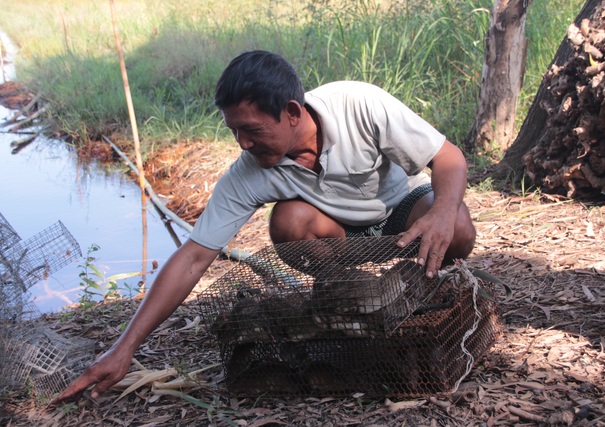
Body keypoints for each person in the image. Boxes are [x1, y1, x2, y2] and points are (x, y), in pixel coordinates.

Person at [53, 50, 475, 403]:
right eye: (234, 131)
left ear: (292, 112)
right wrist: (123, 349)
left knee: (455, 224)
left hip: (401, 209)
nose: (243, 144)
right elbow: (194, 256)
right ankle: (356, 298)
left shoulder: (357, 104)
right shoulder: (249, 171)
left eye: (251, 130)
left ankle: (422, 280)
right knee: (289, 221)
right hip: (341, 238)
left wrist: (440, 214)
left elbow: (449, 157)